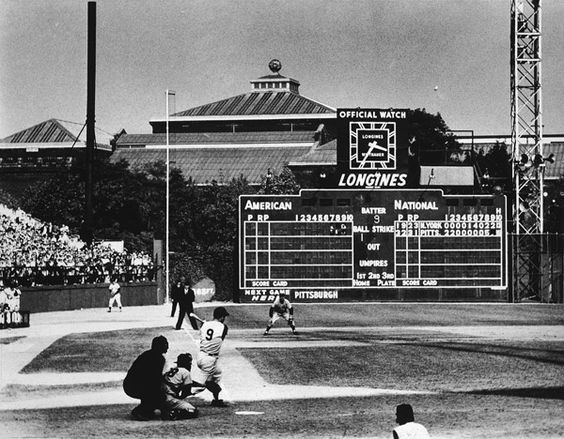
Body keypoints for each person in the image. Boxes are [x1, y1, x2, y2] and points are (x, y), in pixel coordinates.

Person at [123, 335, 169, 421]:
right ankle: (140, 411)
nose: (167, 347)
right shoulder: (158, 358)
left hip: (132, 384)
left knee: (154, 392)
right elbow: (155, 379)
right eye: (165, 345)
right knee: (159, 395)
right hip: (135, 386)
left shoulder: (148, 354)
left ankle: (146, 409)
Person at [191, 306, 230, 407]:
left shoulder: (204, 325)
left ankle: (216, 399)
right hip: (208, 360)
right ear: (221, 317)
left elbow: (205, 334)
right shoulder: (224, 327)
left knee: (217, 373)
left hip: (202, 356)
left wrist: (205, 324)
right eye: (224, 317)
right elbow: (220, 337)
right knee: (200, 386)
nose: (225, 319)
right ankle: (177, 396)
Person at [160, 353, 199, 420]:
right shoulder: (186, 372)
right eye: (189, 364)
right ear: (187, 364)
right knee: (193, 411)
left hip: (159, 397)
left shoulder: (171, 370)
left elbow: (189, 382)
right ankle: (173, 413)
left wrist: (200, 385)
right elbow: (186, 392)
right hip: (170, 399)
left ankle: (164, 409)